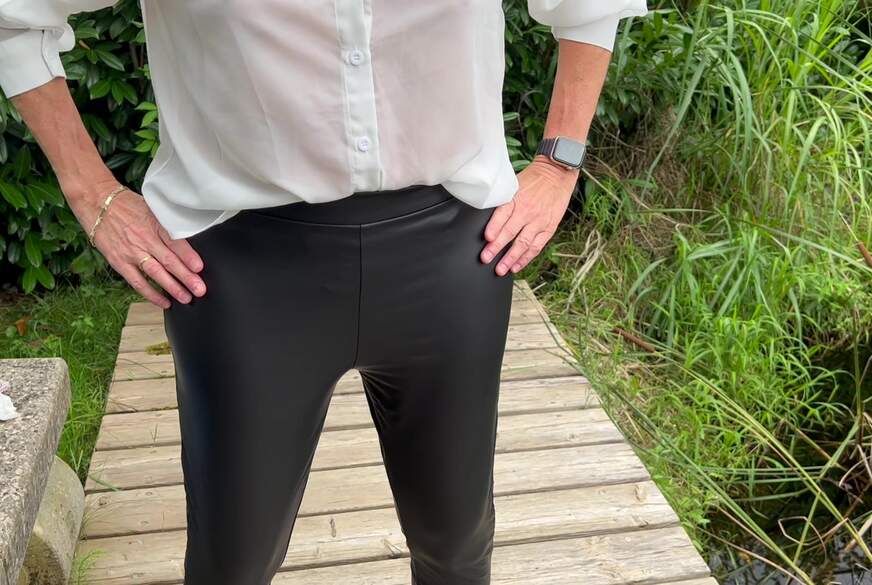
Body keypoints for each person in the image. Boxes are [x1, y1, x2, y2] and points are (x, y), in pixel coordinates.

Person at [0, 1, 648, 584]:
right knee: (232, 558)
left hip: (453, 250)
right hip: (241, 270)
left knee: (457, 543)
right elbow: (15, 16)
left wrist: (559, 161)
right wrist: (91, 191)